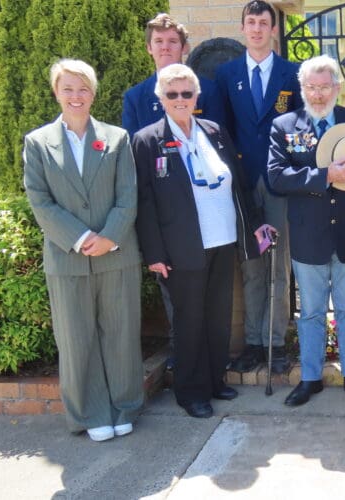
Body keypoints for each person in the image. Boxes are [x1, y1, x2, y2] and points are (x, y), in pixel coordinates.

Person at [132, 64, 269, 419]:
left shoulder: (214, 131)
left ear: (197, 97)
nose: (180, 100)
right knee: (189, 321)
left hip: (222, 239)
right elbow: (144, 202)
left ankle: (214, 380)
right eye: (172, 94)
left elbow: (237, 183)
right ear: (160, 98)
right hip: (181, 248)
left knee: (218, 316)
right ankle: (190, 391)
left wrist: (252, 225)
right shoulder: (147, 140)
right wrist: (154, 253)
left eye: (187, 93)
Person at [23, 59, 143, 441]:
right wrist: (79, 237)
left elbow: (128, 195)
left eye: (83, 89)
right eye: (68, 89)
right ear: (56, 92)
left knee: (121, 332)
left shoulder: (117, 138)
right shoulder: (38, 143)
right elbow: (40, 200)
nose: (76, 96)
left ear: (93, 93)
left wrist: (109, 236)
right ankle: (90, 415)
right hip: (67, 258)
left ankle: (124, 406)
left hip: (116, 253)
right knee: (76, 339)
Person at [268, 55, 345, 407]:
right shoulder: (284, 125)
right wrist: (325, 176)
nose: (317, 95)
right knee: (312, 312)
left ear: (337, 87)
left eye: (324, 87)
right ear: (302, 89)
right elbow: (275, 177)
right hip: (308, 237)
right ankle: (310, 378)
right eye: (311, 88)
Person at [122, 13, 225, 367]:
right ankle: (183, 364)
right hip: (170, 221)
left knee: (208, 307)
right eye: (159, 42)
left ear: (184, 48)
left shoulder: (208, 91)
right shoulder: (136, 98)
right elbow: (139, 167)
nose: (166, 48)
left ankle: (206, 371)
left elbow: (217, 147)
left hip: (211, 223)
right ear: (149, 48)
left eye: (172, 42)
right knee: (181, 307)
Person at [217, 1, 303, 374]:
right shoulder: (226, 74)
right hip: (243, 180)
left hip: (279, 182)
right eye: (250, 22)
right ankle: (253, 341)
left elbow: (302, 129)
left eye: (263, 23)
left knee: (278, 266)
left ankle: (275, 342)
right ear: (243, 28)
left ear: (273, 29)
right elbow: (220, 131)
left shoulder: (291, 73)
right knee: (251, 264)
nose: (256, 29)